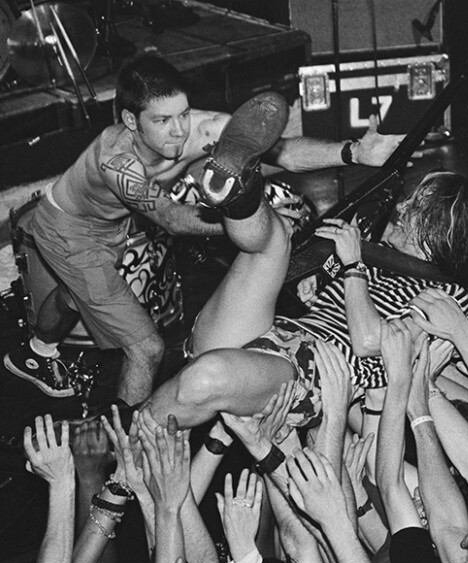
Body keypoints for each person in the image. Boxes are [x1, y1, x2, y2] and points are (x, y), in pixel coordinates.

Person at [3, 53, 403, 405]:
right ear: (130, 121)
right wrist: (248, 219)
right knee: (146, 348)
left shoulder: (204, 129)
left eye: (182, 113)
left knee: (78, 296)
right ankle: (134, 459)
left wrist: (352, 152)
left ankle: (37, 349)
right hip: (68, 229)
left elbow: (278, 151)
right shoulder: (116, 160)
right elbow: (173, 219)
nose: (179, 130)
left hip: (111, 224)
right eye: (162, 120)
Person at [142, 97, 468, 429]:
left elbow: (368, 342)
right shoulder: (378, 254)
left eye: (415, 211)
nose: (399, 207)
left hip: (315, 370)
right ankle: (238, 191)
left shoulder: (448, 294)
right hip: (276, 329)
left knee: (201, 381)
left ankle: (116, 488)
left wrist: (352, 269)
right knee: (274, 240)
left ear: (440, 233)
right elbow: (311, 300)